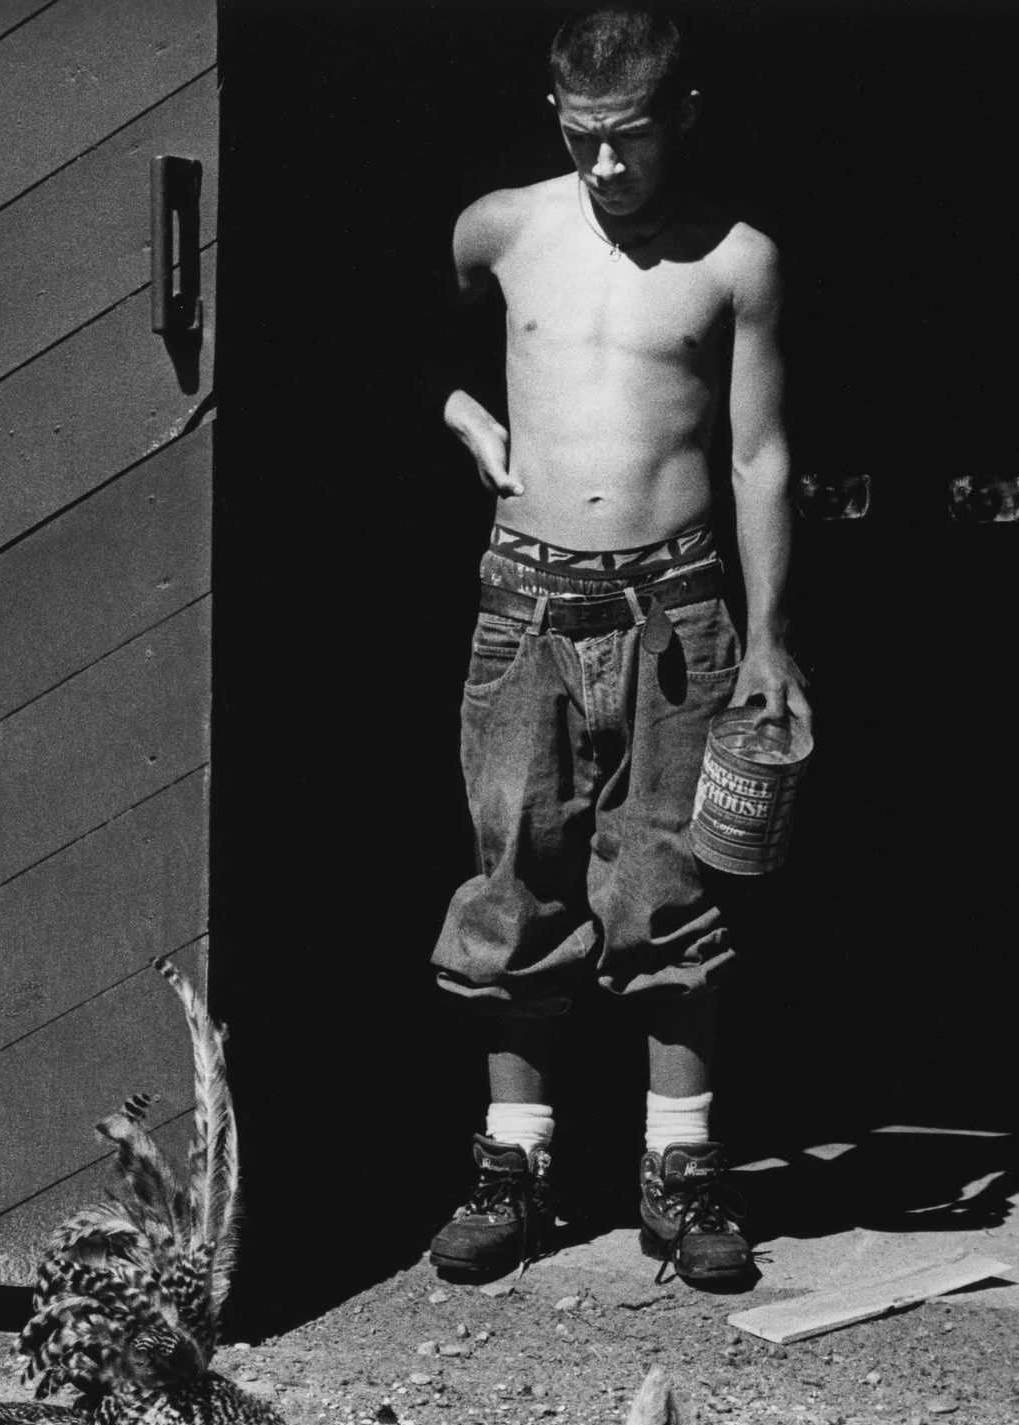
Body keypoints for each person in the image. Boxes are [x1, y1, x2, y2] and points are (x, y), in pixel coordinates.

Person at [427, 4, 810, 1286]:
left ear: (681, 117)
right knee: (512, 881)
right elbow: (380, 338)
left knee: (665, 893)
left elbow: (757, 455)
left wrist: (769, 638)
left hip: (676, 613)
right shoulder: (502, 228)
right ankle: (513, 1171)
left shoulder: (736, 262)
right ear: (556, 117)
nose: (606, 169)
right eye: (584, 139)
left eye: (631, 140)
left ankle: (682, 1178)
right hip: (524, 604)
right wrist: (461, 410)